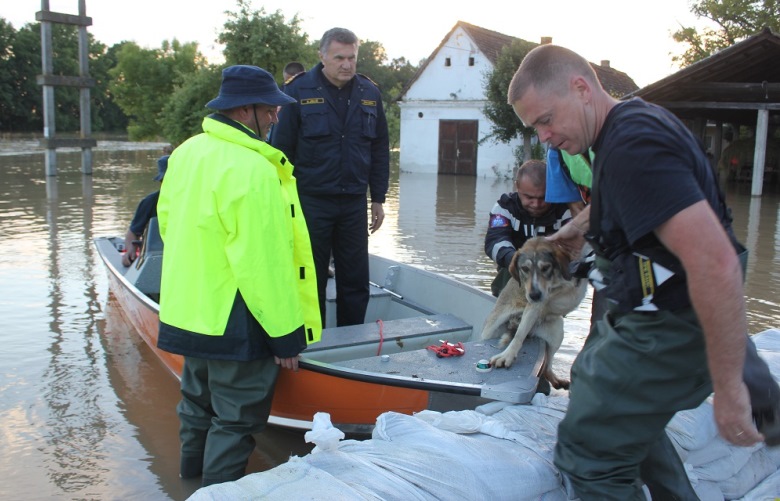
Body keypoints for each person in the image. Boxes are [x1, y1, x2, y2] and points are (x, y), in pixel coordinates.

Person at [508, 44, 780, 499]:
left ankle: (750, 379)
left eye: (546, 120)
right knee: (594, 377)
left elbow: (715, 263)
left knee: (589, 449)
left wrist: (731, 384)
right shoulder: (626, 128)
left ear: (581, 89)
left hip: (677, 310)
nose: (544, 137)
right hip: (650, 295)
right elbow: (654, 202)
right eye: (536, 127)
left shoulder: (634, 146)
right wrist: (580, 223)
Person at [156, 65, 322, 487]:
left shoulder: (186, 152)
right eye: (270, 110)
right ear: (246, 111)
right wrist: (287, 334)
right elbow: (263, 262)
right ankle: (215, 496)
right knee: (235, 421)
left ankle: (185, 483)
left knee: (196, 406)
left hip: (188, 310)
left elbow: (168, 224)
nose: (276, 118)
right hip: (235, 317)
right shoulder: (254, 169)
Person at [271, 27, 390, 328]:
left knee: (355, 280)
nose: (347, 65)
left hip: (352, 203)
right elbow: (281, 152)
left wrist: (378, 198)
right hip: (310, 202)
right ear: (322, 55)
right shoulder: (297, 92)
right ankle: (315, 343)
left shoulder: (369, 93)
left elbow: (379, 149)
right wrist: (281, 202)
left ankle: (350, 342)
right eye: (340, 57)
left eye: (352, 58)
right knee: (310, 279)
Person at [484, 159, 572, 297]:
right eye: (529, 197)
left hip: (551, 273)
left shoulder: (564, 211)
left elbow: (573, 247)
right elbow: (494, 242)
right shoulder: (504, 207)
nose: (536, 204)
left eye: (543, 198)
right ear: (517, 188)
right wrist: (516, 260)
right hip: (514, 270)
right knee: (509, 269)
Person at [121, 154, 168, 267]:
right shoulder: (150, 202)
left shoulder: (195, 200)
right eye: (163, 180)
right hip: (154, 256)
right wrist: (130, 250)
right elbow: (133, 232)